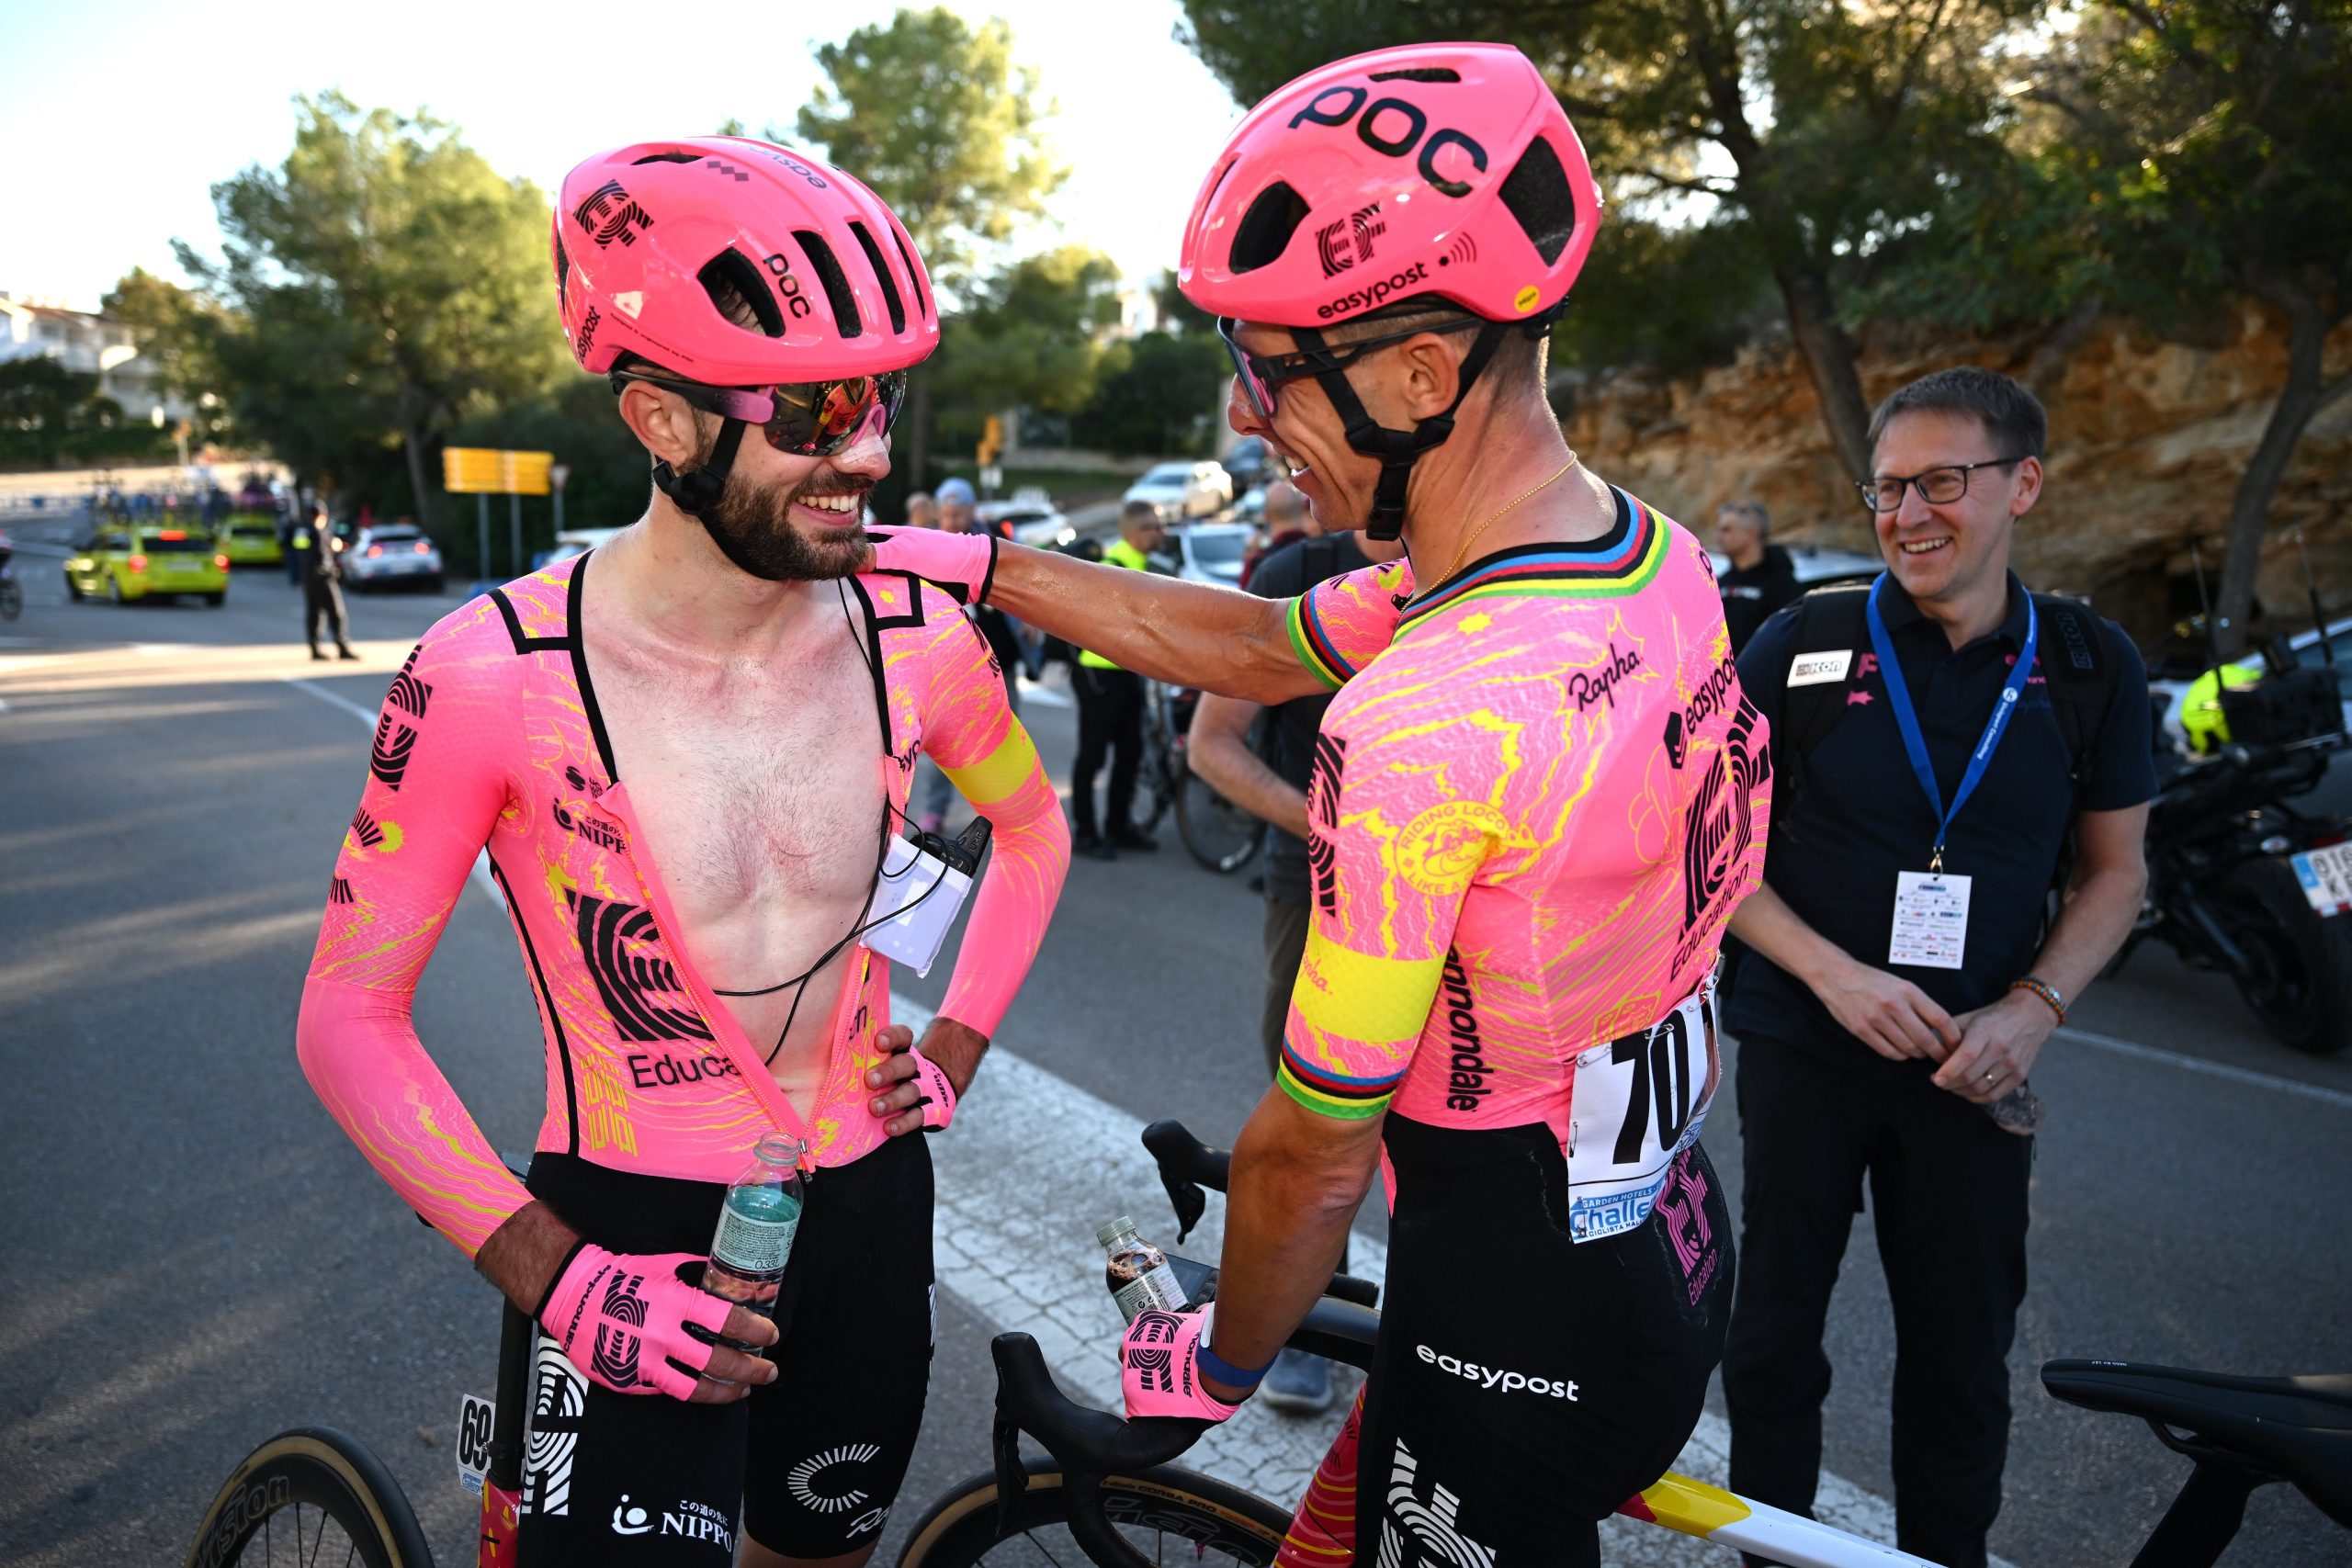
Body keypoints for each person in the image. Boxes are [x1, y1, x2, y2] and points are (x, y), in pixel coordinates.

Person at [868, 43, 1758, 1564]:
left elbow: (1314, 1150)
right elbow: (1253, 644)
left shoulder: (1432, 715)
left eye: (1270, 368)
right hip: (1651, 1235)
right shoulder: (1636, 560)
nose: (1244, 409)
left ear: (1420, 374)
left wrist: (1211, 1365)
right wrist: (965, 560)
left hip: (1510, 1330)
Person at [295, 135, 1069, 1568]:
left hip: (869, 1205)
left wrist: (958, 1039)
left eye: (881, 402)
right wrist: (559, 1276)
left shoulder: (918, 634)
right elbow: (347, 1016)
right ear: (661, 418)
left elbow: (1032, 827)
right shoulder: (488, 671)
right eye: (820, 411)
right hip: (622, 1225)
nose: (869, 453)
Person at [1720, 367, 2154, 1568]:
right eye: (1889, 487)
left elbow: (2116, 872)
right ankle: (1772, 1557)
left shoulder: (2090, 663)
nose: (1908, 514)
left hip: (1976, 1062)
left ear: (2024, 484)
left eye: (1943, 482)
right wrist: (1833, 975)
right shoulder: (1802, 640)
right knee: (1771, 1341)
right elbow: (1710, 852)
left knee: (1962, 1358)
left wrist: (2034, 1009)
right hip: (1804, 1040)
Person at [1186, 483, 1400, 1415]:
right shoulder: (1296, 575)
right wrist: (1325, 827)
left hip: (1471, 899)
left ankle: (1438, 1347)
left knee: (1454, 1133)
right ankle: (1310, 1328)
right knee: (1321, 1123)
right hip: (1317, 893)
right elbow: (1213, 745)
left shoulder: (1489, 565)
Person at [916, 477, 1024, 832]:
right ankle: (935, 813)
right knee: (946, 747)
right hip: (951, 668)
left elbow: (1025, 584)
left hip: (1000, 662)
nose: (951, 521)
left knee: (1006, 742)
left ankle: (1006, 815)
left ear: (972, 510)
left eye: (958, 514)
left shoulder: (994, 543)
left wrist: (1030, 621)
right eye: (946, 514)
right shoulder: (928, 546)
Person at [1068, 501, 1167, 860]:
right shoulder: (1113, 566)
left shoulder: (1141, 564)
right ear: (1135, 532)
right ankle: (1085, 833)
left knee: (1130, 753)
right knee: (1092, 756)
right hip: (1100, 675)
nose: (1161, 533)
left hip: (1127, 673)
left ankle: (1118, 826)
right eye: (1154, 527)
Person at [1714, 498, 1800, 652]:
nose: (1718, 537)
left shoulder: (1781, 583)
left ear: (1751, 532)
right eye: (1719, 530)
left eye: (1726, 530)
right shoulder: (1721, 582)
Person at [297, 505, 357, 661]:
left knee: (314, 613)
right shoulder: (318, 532)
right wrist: (331, 548)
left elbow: (302, 552)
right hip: (322, 579)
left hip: (308, 578)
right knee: (336, 612)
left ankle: (314, 648)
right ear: (321, 516)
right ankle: (342, 647)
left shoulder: (302, 532)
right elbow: (321, 555)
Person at [1238, 477, 1311, 588]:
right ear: (1301, 509)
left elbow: (1243, 596)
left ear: (1267, 515)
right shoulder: (1327, 552)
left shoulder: (1257, 562)